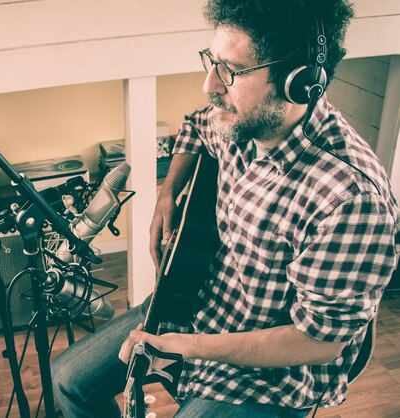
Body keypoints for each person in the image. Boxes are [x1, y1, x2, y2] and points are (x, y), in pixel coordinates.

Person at [51, 0, 400, 416]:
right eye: (211, 61)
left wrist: (184, 348)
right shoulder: (241, 121)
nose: (210, 85)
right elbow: (195, 126)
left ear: (296, 82)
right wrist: (168, 192)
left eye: (230, 71)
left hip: (273, 376)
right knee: (66, 380)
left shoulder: (351, 199)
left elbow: (319, 341)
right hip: (197, 302)